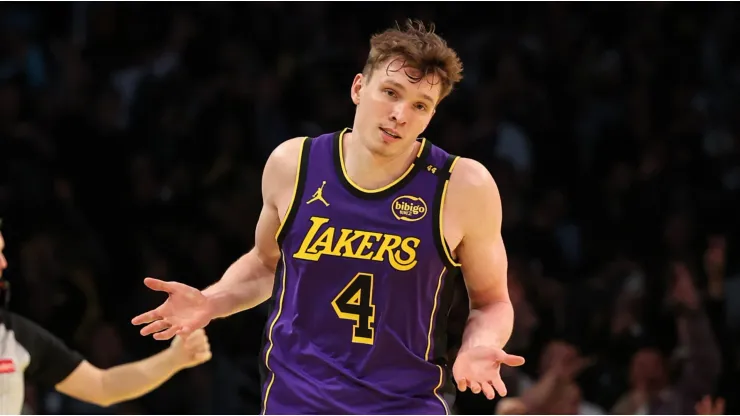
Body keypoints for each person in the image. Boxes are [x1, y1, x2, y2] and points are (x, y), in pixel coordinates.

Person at [132, 19, 524, 414]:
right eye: (390, 92)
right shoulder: (294, 164)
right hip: (297, 399)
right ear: (358, 88)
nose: (401, 114)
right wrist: (211, 301)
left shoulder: (462, 186)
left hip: (404, 404)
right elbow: (266, 264)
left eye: (420, 105)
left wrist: (479, 345)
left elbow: (492, 302)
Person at [0, 229, 212, 415]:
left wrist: (176, 358)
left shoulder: (17, 336)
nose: (3, 263)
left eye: (2, 251)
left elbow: (102, 386)